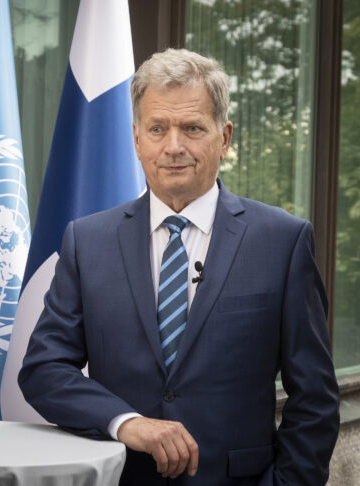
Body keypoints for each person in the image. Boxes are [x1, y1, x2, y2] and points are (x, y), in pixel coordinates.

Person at [19, 48, 339, 485]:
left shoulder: (283, 240)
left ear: (223, 137)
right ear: (136, 138)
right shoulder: (87, 241)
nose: (173, 147)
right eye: (157, 129)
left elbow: (315, 398)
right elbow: (44, 369)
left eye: (192, 128)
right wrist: (126, 422)